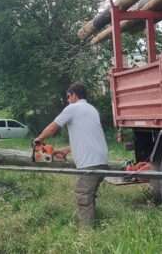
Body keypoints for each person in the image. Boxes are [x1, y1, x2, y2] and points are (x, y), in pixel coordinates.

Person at [35, 82, 108, 227]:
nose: (67, 100)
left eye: (68, 96)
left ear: (74, 95)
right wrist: (67, 150)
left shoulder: (73, 108)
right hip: (101, 159)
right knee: (89, 195)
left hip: (90, 163)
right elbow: (88, 137)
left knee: (83, 196)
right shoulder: (92, 109)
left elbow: (52, 128)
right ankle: (94, 225)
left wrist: (38, 140)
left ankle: (86, 235)